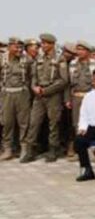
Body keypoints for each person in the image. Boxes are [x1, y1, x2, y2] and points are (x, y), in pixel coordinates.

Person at [25, 33, 67, 163]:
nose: (42, 45)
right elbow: (33, 77)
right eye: (41, 43)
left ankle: (53, 150)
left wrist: (46, 90)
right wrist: (34, 87)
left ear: (52, 44)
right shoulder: (38, 58)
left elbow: (63, 80)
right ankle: (30, 151)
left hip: (53, 95)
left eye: (45, 43)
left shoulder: (60, 58)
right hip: (39, 95)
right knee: (33, 123)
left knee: (53, 123)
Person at [0, 38, 33, 161]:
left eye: (20, 47)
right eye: (16, 47)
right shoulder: (2, 59)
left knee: (24, 122)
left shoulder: (27, 60)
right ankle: (7, 149)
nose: (19, 50)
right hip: (6, 94)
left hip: (22, 93)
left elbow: (32, 76)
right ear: (9, 47)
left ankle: (24, 148)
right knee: (7, 122)